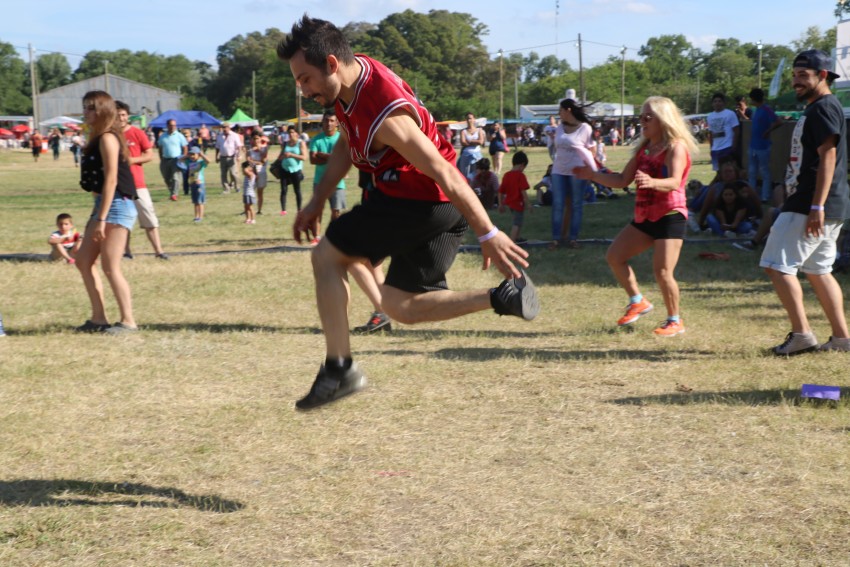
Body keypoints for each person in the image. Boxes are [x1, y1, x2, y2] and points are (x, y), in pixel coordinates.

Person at [278, 15, 538, 409]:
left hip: (417, 200)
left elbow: (445, 172)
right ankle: (503, 297)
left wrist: (489, 233)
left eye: (305, 79)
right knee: (400, 306)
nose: (303, 90)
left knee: (327, 255)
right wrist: (317, 201)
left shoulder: (386, 114)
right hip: (436, 206)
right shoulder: (351, 78)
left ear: (331, 64)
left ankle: (339, 368)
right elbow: (349, 145)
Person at [574, 96, 698, 336]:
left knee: (662, 272)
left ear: (664, 119)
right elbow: (622, 180)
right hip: (645, 215)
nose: (642, 121)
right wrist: (592, 175)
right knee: (614, 256)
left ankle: (675, 320)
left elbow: (674, 181)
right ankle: (638, 301)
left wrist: (653, 182)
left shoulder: (676, 146)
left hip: (670, 214)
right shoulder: (645, 148)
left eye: (648, 117)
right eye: (641, 116)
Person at [759, 49, 850, 355]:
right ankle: (841, 339)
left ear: (823, 75)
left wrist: (817, 205)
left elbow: (829, 157)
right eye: (795, 75)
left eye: (803, 75)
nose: (797, 81)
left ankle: (802, 335)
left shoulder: (823, 107)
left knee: (777, 265)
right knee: (818, 270)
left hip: (812, 202)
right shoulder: (818, 107)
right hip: (826, 202)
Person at [75, 90, 139, 335]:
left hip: (117, 205)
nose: (86, 112)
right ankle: (98, 318)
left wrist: (101, 219)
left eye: (90, 108)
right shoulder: (97, 137)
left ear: (102, 110)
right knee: (83, 261)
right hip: (104, 204)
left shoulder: (108, 138)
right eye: (85, 107)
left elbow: (112, 180)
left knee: (111, 266)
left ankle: (128, 321)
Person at [115, 100, 169, 260]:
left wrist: (132, 160)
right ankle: (126, 252)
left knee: (149, 217)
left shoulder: (137, 133)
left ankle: (159, 251)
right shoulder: (111, 134)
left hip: (137, 183)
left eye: (123, 115)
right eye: (117, 115)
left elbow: (149, 154)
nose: (121, 118)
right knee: (122, 220)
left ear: (128, 116)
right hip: (117, 184)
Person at [551, 98, 596, 249]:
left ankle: (573, 239)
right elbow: (556, 146)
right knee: (558, 204)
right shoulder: (559, 127)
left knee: (576, 204)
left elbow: (591, 149)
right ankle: (556, 239)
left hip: (577, 172)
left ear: (568, 110)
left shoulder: (585, 128)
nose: (559, 114)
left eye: (560, 111)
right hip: (558, 170)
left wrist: (590, 171)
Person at [309, 110, 346, 236]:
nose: (328, 123)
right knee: (318, 210)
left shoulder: (342, 139)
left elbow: (342, 159)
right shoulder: (316, 139)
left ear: (337, 123)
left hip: (338, 181)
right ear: (322, 122)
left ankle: (331, 237)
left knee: (336, 211)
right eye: (326, 120)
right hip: (320, 181)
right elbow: (312, 160)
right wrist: (332, 158)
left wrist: (322, 155)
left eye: (331, 121)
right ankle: (316, 237)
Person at [747, 88, 784, 202]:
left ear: (754, 99)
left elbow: (779, 122)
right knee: (752, 171)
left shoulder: (766, 109)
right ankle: (752, 194)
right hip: (753, 145)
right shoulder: (755, 110)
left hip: (763, 146)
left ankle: (765, 196)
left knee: (764, 171)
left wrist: (768, 131)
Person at [498, 151, 531, 242]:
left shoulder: (506, 175)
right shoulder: (520, 175)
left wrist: (501, 204)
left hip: (510, 203)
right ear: (522, 165)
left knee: (518, 221)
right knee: (517, 223)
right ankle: (512, 241)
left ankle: (517, 237)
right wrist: (528, 203)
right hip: (518, 203)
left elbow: (501, 191)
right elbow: (523, 191)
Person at [277, 125, 307, 215]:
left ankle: (299, 209)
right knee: (283, 190)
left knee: (297, 190)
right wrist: (282, 156)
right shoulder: (285, 143)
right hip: (284, 169)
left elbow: (304, 157)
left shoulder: (300, 143)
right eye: (289, 132)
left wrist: (291, 155)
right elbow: (280, 157)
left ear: (297, 133)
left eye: (293, 132)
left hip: (296, 170)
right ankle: (283, 210)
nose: (291, 134)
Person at [706, 93, 740, 171]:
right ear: (712, 104)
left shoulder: (730, 114)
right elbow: (711, 133)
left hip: (727, 147)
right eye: (715, 101)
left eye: (719, 101)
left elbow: (737, 130)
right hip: (715, 149)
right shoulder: (710, 116)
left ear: (724, 103)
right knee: (718, 171)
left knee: (728, 171)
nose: (717, 103)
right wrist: (711, 148)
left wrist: (734, 147)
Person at [156, 119, 188, 201]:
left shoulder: (179, 135)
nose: (173, 127)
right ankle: (172, 191)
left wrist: (183, 157)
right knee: (167, 178)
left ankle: (174, 194)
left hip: (176, 159)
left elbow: (185, 147)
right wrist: (161, 158)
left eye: (174, 125)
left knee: (175, 177)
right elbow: (160, 148)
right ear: (167, 126)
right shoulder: (163, 136)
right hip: (165, 159)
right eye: (171, 125)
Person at [177, 147, 210, 222]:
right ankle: (196, 216)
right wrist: (187, 155)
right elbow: (180, 160)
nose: (192, 156)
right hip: (192, 183)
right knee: (195, 201)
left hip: (200, 183)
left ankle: (200, 217)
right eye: (190, 154)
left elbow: (208, 161)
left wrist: (202, 155)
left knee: (200, 201)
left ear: (198, 155)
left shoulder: (201, 162)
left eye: (193, 154)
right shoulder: (189, 162)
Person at [215, 121, 243, 194]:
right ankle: (226, 189)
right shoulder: (219, 136)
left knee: (234, 173)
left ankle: (237, 187)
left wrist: (239, 155)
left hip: (232, 157)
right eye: (223, 127)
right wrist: (216, 156)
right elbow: (217, 147)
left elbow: (239, 146)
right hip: (223, 157)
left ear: (229, 127)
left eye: (225, 127)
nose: (224, 129)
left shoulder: (234, 135)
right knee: (223, 174)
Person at [457, 112, 485, 181]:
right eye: (467, 119)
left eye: (470, 118)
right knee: (465, 175)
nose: (469, 120)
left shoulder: (479, 130)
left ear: (474, 119)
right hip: (466, 155)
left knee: (477, 174)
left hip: (477, 155)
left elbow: (481, 141)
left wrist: (469, 141)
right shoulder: (463, 131)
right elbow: (463, 142)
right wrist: (475, 141)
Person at [248, 132, 269, 214]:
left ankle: (259, 210)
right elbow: (248, 160)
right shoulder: (250, 149)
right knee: (250, 191)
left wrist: (259, 149)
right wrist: (257, 162)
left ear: (260, 138)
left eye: (257, 138)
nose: (256, 140)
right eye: (254, 138)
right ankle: (249, 209)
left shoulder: (264, 148)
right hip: (252, 172)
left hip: (261, 172)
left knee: (260, 192)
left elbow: (263, 160)